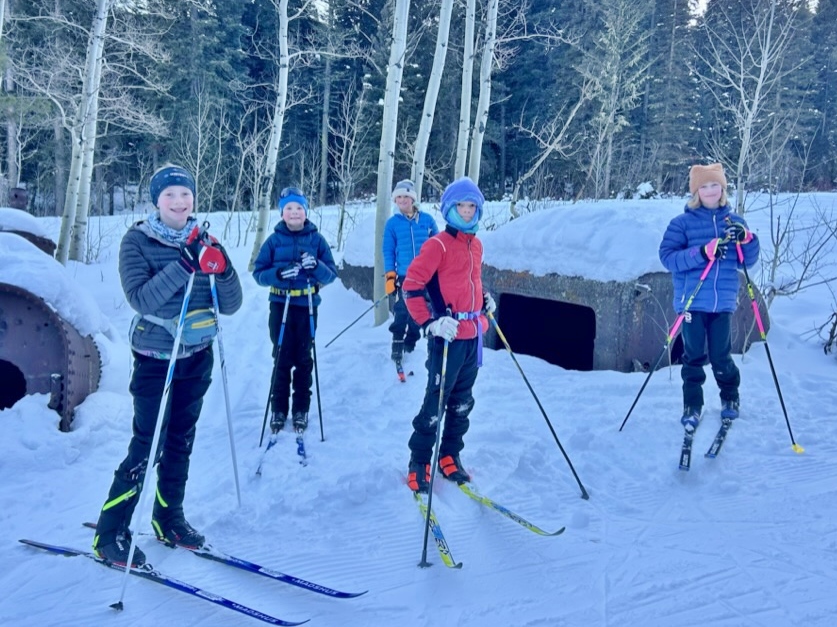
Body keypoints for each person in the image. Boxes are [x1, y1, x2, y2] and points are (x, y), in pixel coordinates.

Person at [93, 164, 243, 567]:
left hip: (197, 355)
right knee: (149, 444)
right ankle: (110, 533)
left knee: (180, 440)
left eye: (185, 194)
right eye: (170, 195)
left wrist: (223, 268)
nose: (179, 202)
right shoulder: (137, 241)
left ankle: (168, 518)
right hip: (156, 358)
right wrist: (185, 265)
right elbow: (141, 299)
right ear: (156, 201)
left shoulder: (205, 238)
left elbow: (231, 304)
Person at [401, 177, 496, 493]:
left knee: (462, 401)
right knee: (436, 401)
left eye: (472, 207)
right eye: (461, 206)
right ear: (449, 209)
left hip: (473, 335)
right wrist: (430, 323)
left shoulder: (476, 245)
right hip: (447, 337)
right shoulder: (437, 244)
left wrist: (484, 301)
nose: (467, 212)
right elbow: (412, 287)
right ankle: (419, 460)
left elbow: (469, 282)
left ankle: (450, 455)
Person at [658, 163, 760, 433]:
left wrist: (747, 239)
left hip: (722, 302)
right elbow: (668, 258)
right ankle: (692, 405)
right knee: (693, 356)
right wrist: (703, 252)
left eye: (715, 185)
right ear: (696, 191)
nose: (711, 190)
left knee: (721, 355)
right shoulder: (682, 224)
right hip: (692, 301)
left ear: (723, 188)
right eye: (704, 186)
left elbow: (748, 261)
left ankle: (730, 397)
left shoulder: (735, 222)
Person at [252, 187, 337, 434]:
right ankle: (278, 409)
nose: (294, 212)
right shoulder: (274, 241)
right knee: (281, 357)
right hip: (280, 305)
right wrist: (278, 274)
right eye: (289, 208)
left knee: (303, 358)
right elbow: (259, 274)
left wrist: (316, 265)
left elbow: (331, 275)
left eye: (299, 208)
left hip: (307, 305)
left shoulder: (317, 240)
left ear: (306, 211)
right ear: (282, 213)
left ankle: (301, 409)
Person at [382, 179, 438, 363]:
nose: (402, 200)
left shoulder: (427, 220)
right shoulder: (392, 224)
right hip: (404, 276)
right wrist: (390, 276)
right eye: (398, 197)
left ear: (413, 198)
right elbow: (388, 251)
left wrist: (438, 271)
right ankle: (397, 345)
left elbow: (439, 247)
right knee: (401, 312)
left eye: (406, 196)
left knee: (420, 311)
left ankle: (411, 341)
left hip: (426, 276)